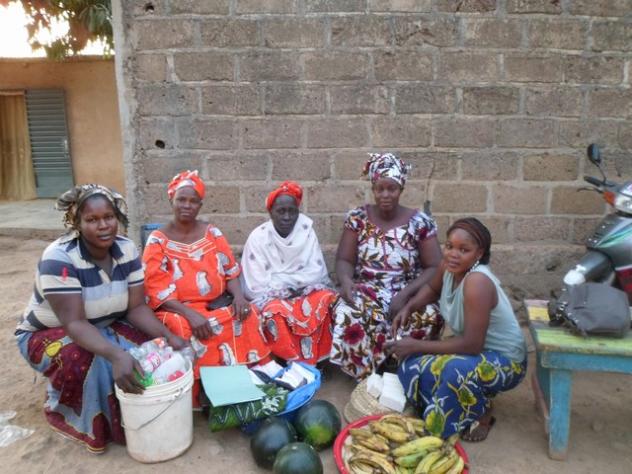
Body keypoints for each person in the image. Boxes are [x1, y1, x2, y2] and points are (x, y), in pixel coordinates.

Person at [15, 184, 188, 453]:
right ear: (77, 223)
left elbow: (136, 308)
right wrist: (116, 355)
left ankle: (136, 411)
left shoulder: (126, 250)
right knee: (93, 361)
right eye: (92, 219)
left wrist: (167, 336)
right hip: (51, 332)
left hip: (104, 324)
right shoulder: (59, 258)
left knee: (149, 351)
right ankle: (72, 410)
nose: (103, 225)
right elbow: (74, 323)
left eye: (108, 217)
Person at [388, 217, 527, 442]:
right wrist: (409, 307)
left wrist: (416, 345)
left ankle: (481, 413)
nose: (453, 254)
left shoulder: (477, 282)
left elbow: (472, 345)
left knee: (454, 371)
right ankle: (469, 401)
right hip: (474, 353)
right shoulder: (448, 267)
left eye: (464, 250)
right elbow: (432, 289)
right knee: (410, 365)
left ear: (479, 253)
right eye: (449, 246)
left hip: (506, 362)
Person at [142, 170, 270, 406]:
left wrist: (239, 297)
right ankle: (199, 389)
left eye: (193, 201)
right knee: (181, 327)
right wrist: (190, 314)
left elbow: (230, 270)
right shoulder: (158, 241)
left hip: (215, 303)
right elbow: (156, 289)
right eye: (181, 199)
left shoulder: (212, 233)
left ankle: (249, 382)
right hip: (176, 309)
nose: (187, 205)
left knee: (248, 313)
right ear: (171, 200)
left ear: (200, 205)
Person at [330, 152, 444, 380]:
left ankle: (402, 367)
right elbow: (344, 260)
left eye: (391, 189)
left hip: (408, 292)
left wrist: (405, 294)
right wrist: (346, 281)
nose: (385, 195)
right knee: (347, 312)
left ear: (401, 188)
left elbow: (434, 267)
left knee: (429, 315)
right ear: (373, 188)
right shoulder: (358, 219)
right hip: (367, 291)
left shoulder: (419, 222)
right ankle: (366, 373)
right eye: (379, 189)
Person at [241, 181, 336, 365]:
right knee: (275, 312)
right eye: (281, 211)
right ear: (271, 212)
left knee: (326, 300)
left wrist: (280, 279)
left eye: (292, 211)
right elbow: (256, 285)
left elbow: (316, 272)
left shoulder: (306, 231)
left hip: (306, 292)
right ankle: (288, 360)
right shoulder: (258, 238)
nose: (287, 217)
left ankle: (318, 360)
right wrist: (293, 284)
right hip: (272, 297)